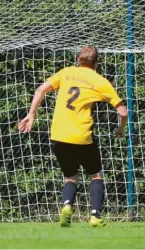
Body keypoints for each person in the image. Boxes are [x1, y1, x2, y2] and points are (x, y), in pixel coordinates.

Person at [18, 46, 128, 227]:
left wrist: (31, 115)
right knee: (96, 175)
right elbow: (123, 112)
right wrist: (120, 129)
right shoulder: (100, 81)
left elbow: (40, 90)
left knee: (70, 177)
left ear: (78, 59)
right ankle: (94, 215)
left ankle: (67, 205)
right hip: (82, 136)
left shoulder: (66, 72)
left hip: (58, 134)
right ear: (96, 63)